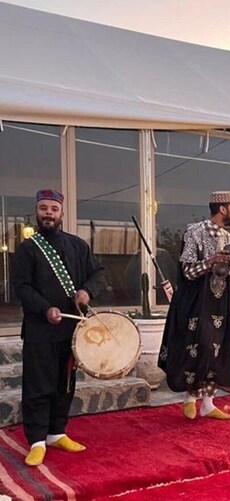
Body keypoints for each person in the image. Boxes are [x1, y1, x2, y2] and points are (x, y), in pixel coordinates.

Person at [11, 189, 105, 467]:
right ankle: (37, 441)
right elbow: (22, 286)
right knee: (38, 385)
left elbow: (97, 273)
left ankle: (56, 433)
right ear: (36, 212)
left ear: (61, 212)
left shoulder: (77, 245)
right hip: (40, 331)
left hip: (71, 332)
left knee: (64, 385)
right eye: (43, 208)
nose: (48, 213)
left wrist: (87, 291)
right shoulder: (28, 249)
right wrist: (44, 308)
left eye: (53, 208)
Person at [158, 191, 230, 420]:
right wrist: (210, 262)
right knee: (198, 348)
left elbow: (228, 273)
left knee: (218, 350)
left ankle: (208, 404)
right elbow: (187, 271)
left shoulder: (228, 238)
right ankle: (190, 399)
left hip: (219, 302)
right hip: (196, 303)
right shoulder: (194, 233)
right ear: (222, 208)